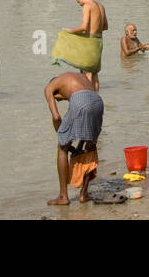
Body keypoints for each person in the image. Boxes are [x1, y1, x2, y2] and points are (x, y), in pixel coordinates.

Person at [44, 70, 104, 205]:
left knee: (61, 148)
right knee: (91, 146)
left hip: (80, 100)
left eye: (60, 99)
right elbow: (86, 117)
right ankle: (84, 194)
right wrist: (76, 147)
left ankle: (63, 196)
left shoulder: (49, 87)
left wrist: (63, 141)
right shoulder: (77, 77)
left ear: (55, 92)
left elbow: (56, 117)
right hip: (97, 101)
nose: (62, 100)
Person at [54, 0, 107, 90]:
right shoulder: (101, 6)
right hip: (99, 41)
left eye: (79, 2)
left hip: (89, 42)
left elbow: (84, 27)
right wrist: (95, 28)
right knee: (94, 73)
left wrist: (69, 30)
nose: (80, 5)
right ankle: (96, 97)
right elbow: (105, 27)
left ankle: (88, 99)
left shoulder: (87, 5)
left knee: (87, 73)